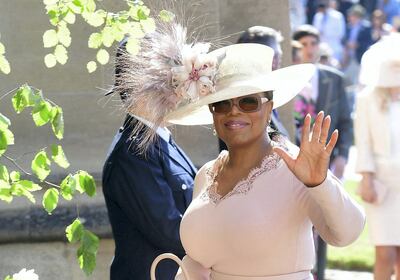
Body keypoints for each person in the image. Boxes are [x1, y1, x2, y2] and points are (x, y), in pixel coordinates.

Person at [120, 18, 364, 277]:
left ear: (269, 108)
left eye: (248, 102)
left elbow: (347, 234)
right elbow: (200, 262)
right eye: (222, 104)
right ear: (213, 113)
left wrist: (320, 183)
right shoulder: (206, 175)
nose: (233, 112)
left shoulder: (295, 168)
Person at [102, 40, 197, 280]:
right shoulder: (134, 152)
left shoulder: (160, 139)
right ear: (138, 83)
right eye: (168, 79)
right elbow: (170, 232)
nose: (179, 88)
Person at [292, 24, 354, 280]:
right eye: (304, 44)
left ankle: (320, 272)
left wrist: (341, 156)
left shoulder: (334, 78)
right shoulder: (287, 77)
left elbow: (345, 121)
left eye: (313, 44)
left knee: (326, 217)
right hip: (292, 159)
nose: (309, 49)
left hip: (324, 159)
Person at [355, 34, 400, 280]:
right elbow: (363, 142)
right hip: (383, 185)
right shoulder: (367, 99)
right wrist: (366, 178)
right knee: (385, 254)